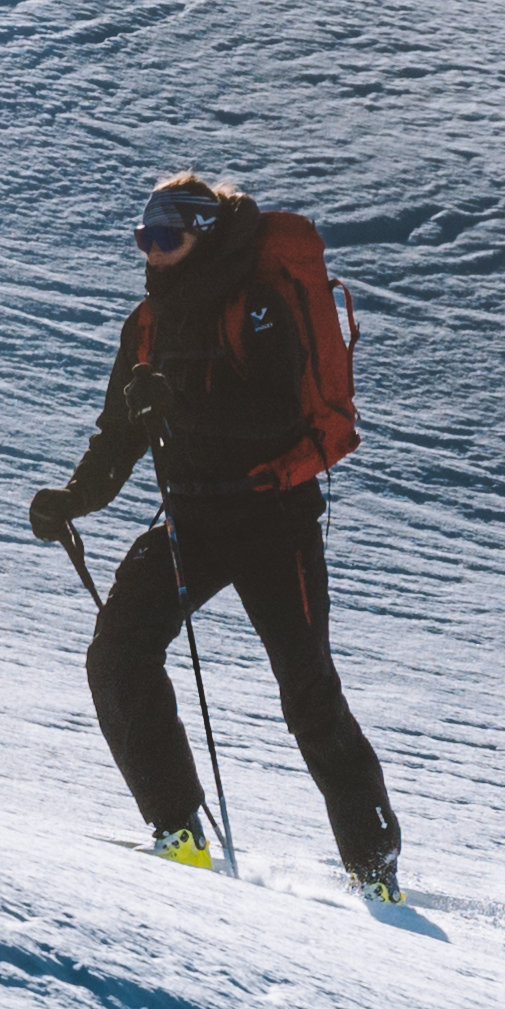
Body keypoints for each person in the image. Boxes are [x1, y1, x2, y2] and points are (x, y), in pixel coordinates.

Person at [29, 171, 406, 892]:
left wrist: (174, 406)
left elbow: (274, 417)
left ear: (200, 235)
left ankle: (375, 869)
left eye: (165, 236)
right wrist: (73, 500)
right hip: (193, 518)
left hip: (274, 518)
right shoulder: (147, 325)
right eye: (144, 236)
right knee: (117, 655)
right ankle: (179, 834)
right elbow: (119, 435)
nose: (152, 249)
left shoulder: (257, 303)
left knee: (308, 696)